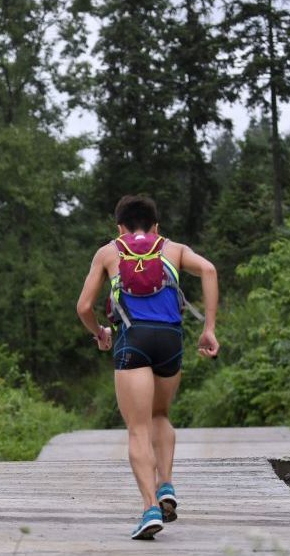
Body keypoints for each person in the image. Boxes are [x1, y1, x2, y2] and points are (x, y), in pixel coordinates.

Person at [76, 195, 219, 540]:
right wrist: (209, 328)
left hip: (133, 339)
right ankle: (165, 484)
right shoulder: (174, 249)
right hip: (169, 341)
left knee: (138, 429)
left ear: (119, 228)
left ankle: (150, 508)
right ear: (156, 226)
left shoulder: (108, 253)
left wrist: (100, 333)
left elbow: (83, 306)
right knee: (160, 415)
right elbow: (210, 270)